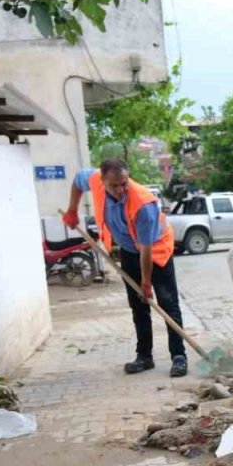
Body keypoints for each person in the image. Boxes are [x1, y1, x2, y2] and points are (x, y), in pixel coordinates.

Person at [63, 159, 188, 378]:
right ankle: (144, 357)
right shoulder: (93, 179)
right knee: (138, 305)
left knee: (168, 303)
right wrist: (72, 210)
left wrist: (146, 283)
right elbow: (77, 180)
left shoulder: (143, 204)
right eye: (115, 185)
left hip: (156, 251)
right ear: (103, 181)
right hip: (130, 250)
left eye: (124, 183)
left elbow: (146, 249)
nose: (121, 190)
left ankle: (179, 357)